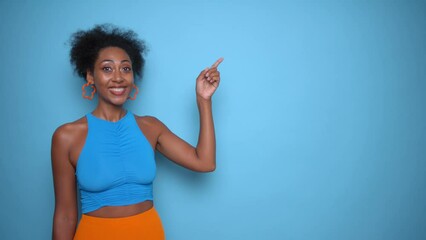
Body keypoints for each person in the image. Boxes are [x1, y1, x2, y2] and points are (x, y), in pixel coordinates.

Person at [51, 24, 223, 240]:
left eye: (125, 68)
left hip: (148, 232)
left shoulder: (150, 128)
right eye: (106, 68)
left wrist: (203, 100)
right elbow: (65, 216)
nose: (118, 77)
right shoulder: (66, 136)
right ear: (90, 76)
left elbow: (205, 162)